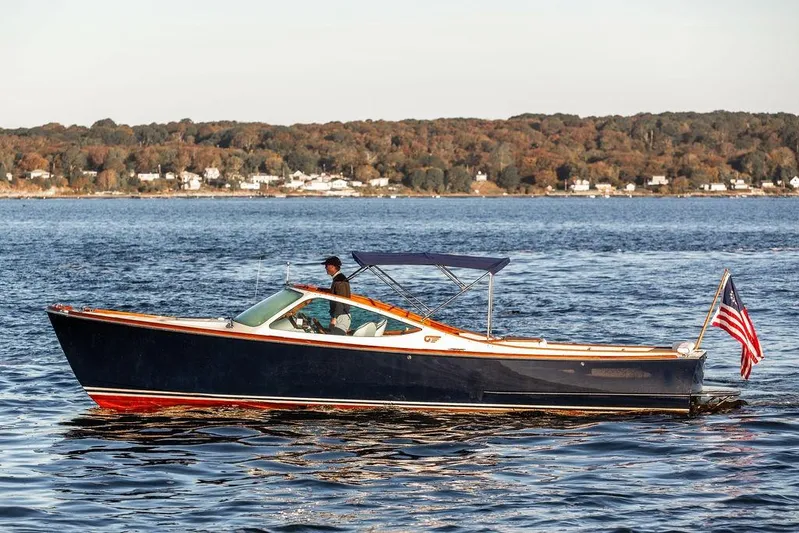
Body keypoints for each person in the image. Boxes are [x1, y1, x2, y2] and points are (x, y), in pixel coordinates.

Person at [322, 256, 351, 335]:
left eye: (326, 266)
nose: (325, 268)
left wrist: (334, 318)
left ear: (332, 267)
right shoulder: (339, 279)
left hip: (340, 316)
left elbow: (340, 301)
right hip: (341, 315)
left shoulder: (339, 281)